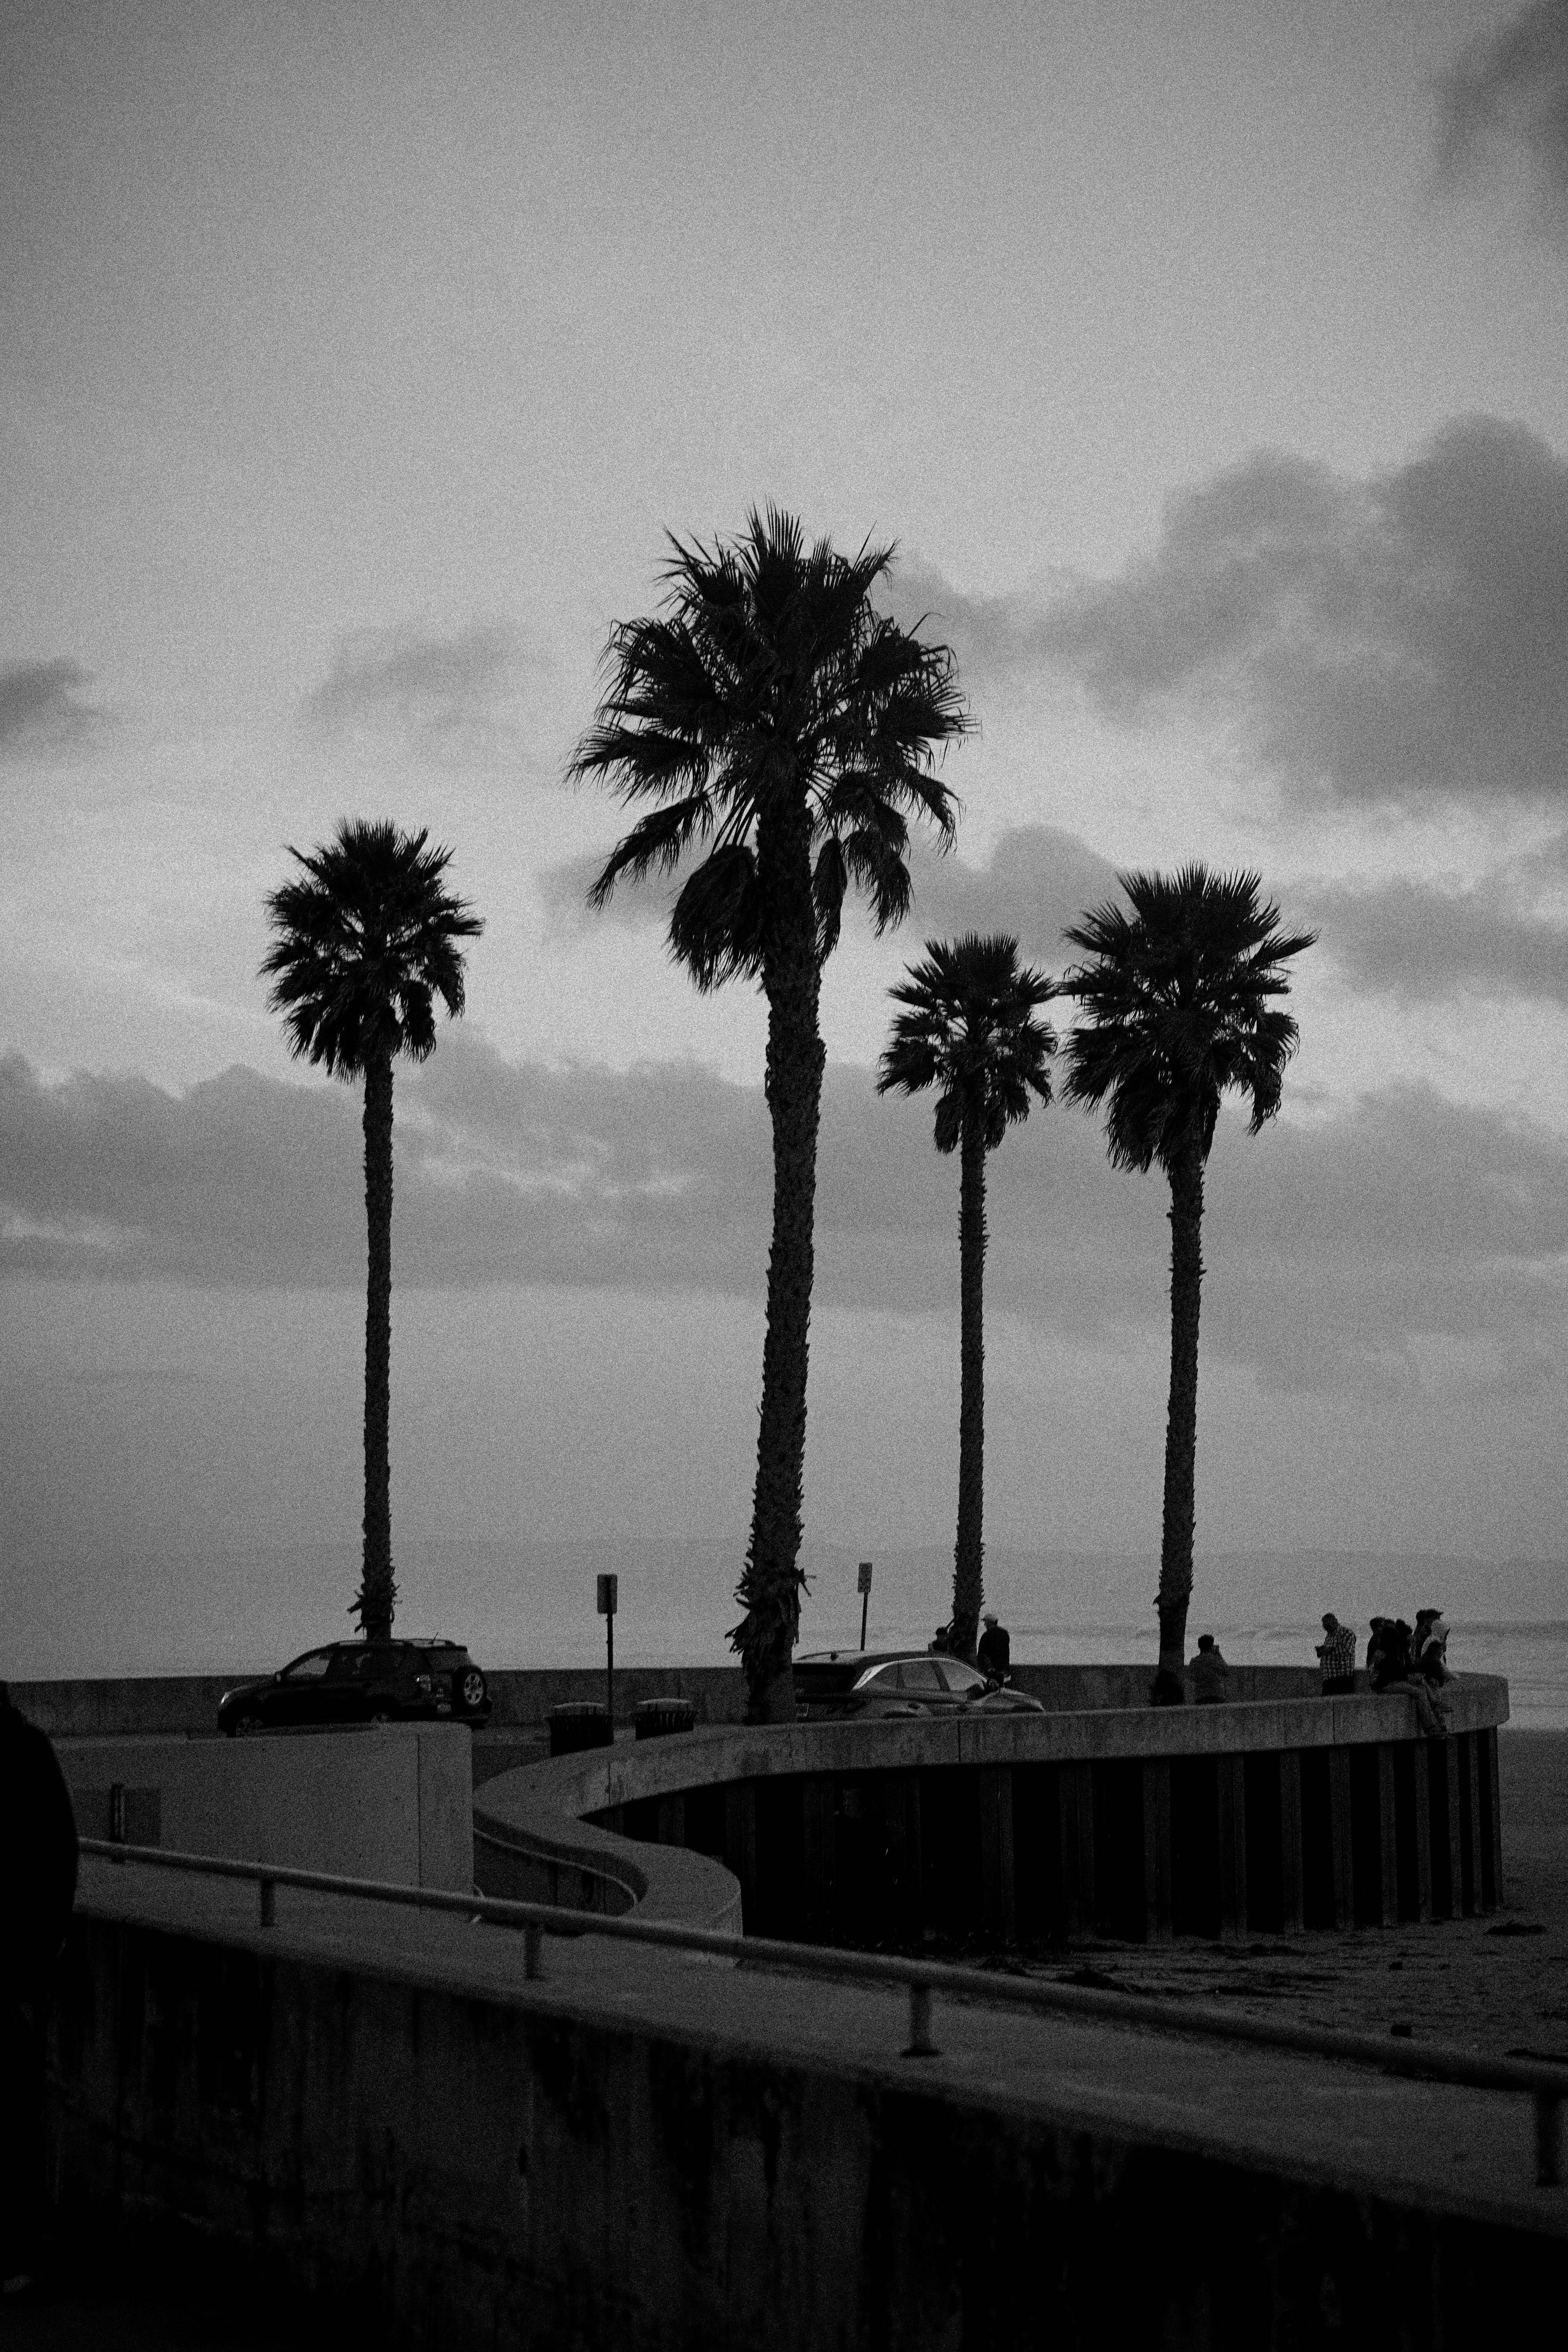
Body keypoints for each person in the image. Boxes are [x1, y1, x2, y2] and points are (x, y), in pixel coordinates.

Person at [1, 1681, 80, 2298]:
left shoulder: (24, 1751)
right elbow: (59, 1856)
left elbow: (55, 1858)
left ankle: (15, 2251)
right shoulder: (28, 1749)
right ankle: (14, 2254)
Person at [1315, 1612, 1357, 1695]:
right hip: (1329, 1676)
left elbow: (1347, 1652)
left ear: (1335, 1622)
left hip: (1342, 1676)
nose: (1326, 1629)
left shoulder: (1347, 1633)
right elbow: (1329, 1649)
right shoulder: (1330, 1635)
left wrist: (1328, 1650)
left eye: (1328, 1626)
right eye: (1325, 1627)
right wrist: (1321, 1651)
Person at [1189, 1633, 1230, 1703]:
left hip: (1200, 1696)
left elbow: (1191, 1677)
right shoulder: (1215, 1660)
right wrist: (1219, 1655)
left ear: (1199, 1646)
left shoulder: (1194, 1661)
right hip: (1217, 1695)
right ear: (1211, 1646)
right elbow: (1227, 1672)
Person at [976, 1611, 1010, 1684]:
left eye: (986, 1623)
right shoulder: (1005, 1634)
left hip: (991, 1670)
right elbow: (1006, 1652)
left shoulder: (987, 1635)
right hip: (1003, 1669)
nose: (985, 1625)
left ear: (990, 1623)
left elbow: (981, 1654)